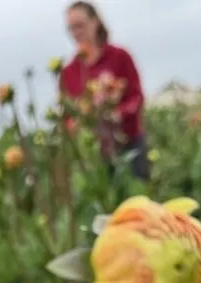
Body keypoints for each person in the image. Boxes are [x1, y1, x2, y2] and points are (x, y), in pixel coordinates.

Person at [59, 2, 149, 181]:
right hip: (96, 156)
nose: (76, 33)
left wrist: (117, 114)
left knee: (137, 192)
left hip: (129, 144)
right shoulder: (69, 72)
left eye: (80, 26)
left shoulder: (119, 56)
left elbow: (136, 96)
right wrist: (77, 125)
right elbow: (67, 115)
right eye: (71, 28)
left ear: (95, 22)